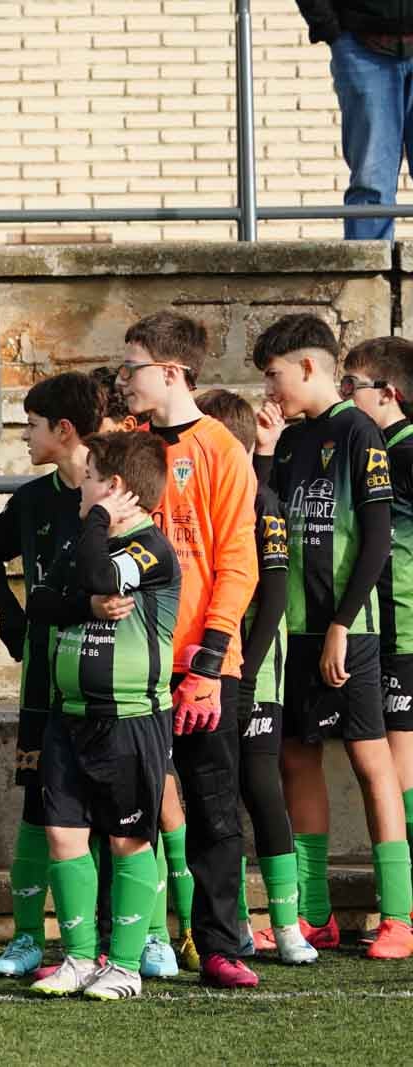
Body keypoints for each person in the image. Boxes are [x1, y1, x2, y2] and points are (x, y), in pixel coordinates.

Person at [252, 313, 413, 958]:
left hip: (352, 632)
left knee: (373, 762)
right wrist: (263, 452)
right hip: (294, 632)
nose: (269, 389)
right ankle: (313, 914)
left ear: (309, 367)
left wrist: (343, 624)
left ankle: (399, 915)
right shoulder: (289, 440)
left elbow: (375, 539)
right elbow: (264, 518)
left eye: (274, 375)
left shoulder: (358, 433)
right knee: (297, 760)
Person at [116, 312, 260, 988]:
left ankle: (222, 943)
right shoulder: (123, 446)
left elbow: (239, 564)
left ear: (170, 372)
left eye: (133, 367)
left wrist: (206, 666)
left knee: (212, 809)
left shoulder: (223, 451)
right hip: (128, 661)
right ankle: (118, 946)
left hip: (201, 668)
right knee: (118, 807)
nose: (124, 380)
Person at [27, 431, 180, 1001]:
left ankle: (125, 966)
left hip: (130, 718)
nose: (81, 488)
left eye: (90, 478)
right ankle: (77, 958)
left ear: (114, 489)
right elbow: (41, 603)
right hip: (69, 716)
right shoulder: (84, 542)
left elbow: (101, 575)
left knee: (127, 840)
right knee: (63, 833)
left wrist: (95, 527)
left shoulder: (149, 547)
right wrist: (85, 605)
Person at [0, 372, 100, 978]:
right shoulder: (32, 499)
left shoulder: (115, 495)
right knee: (36, 805)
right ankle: (26, 938)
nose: (25, 435)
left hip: (107, 680)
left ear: (64, 430)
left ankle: (131, 937)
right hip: (45, 679)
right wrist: (12, 616)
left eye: (32, 424)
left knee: (120, 811)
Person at [195, 389, 318, 966]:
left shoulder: (261, 501)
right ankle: (235, 923)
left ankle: (289, 924)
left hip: (252, 671)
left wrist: (245, 670)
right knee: (213, 795)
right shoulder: (210, 498)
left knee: (260, 786)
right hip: (208, 670)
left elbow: (270, 598)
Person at [345, 338, 413, 853]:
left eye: (354, 386)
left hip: (403, 630)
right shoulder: (376, 451)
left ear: (388, 394)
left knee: (399, 772)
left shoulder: (405, 454)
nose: (346, 396)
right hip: (382, 629)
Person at [294, 0, 413, 240]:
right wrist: (328, 27)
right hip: (361, 44)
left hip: (359, 42)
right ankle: (368, 275)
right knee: (372, 182)